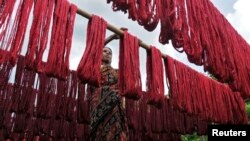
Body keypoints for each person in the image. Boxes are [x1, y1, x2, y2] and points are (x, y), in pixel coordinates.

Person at [89, 47, 128, 141]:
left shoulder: (117, 72)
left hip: (115, 107)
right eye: (105, 51)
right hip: (98, 104)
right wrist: (112, 37)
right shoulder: (94, 68)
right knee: (98, 130)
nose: (108, 53)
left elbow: (122, 91)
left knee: (115, 130)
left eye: (110, 53)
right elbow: (93, 48)